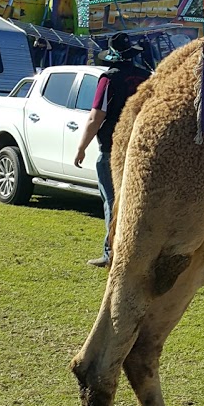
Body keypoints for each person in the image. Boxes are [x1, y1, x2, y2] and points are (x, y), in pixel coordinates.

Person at [75, 32, 151, 268]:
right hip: (143, 148)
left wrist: (81, 147)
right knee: (141, 203)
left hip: (112, 150)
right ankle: (142, 252)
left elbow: (95, 117)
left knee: (113, 201)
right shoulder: (146, 78)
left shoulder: (108, 79)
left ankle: (112, 253)